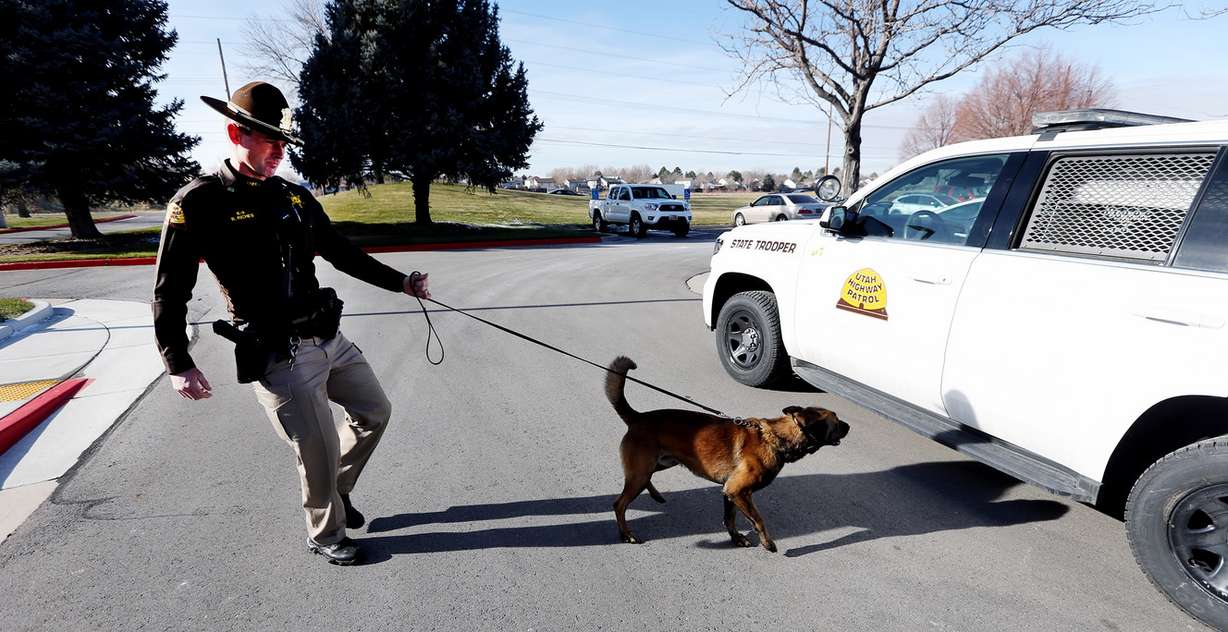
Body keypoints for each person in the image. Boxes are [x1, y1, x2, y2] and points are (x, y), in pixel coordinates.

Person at [152, 81, 430, 565]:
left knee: (375, 412)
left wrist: (401, 282)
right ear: (235, 132)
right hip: (277, 350)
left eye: (284, 142)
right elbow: (169, 288)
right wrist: (178, 360)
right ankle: (326, 534)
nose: (280, 151)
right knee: (316, 446)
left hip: (327, 336)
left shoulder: (294, 197)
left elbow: (342, 251)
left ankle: (336, 490)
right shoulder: (198, 202)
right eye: (268, 139)